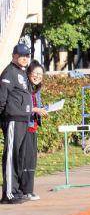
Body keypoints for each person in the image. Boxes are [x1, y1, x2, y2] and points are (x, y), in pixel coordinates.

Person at [0, 43, 33, 204]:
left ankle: (16, 189)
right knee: (11, 156)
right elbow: (2, 98)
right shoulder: (9, 72)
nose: (25, 58)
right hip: (13, 119)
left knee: (19, 157)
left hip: (23, 119)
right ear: (14, 56)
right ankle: (9, 193)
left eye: (27, 56)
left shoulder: (22, 72)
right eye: (22, 56)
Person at [20, 61, 46, 201]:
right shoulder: (25, 88)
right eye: (35, 73)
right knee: (26, 159)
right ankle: (25, 190)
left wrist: (43, 110)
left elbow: (36, 106)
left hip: (33, 126)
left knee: (32, 159)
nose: (37, 76)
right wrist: (36, 110)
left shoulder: (37, 89)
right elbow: (23, 107)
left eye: (40, 74)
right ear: (29, 73)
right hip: (24, 126)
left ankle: (29, 189)